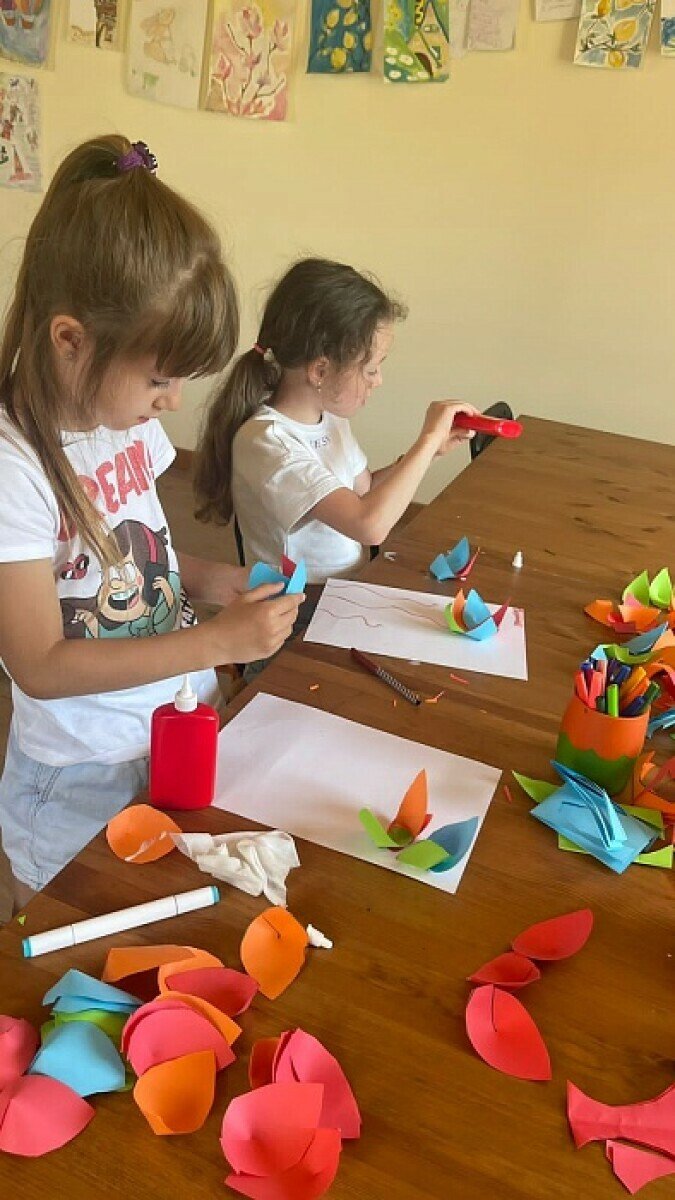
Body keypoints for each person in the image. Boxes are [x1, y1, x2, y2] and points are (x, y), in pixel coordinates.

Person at [0, 135, 302, 905]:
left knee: (173, 934)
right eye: (162, 379)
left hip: (173, 721)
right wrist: (216, 643)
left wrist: (213, 581)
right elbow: (39, 665)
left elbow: (140, 553)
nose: (173, 401)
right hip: (81, 774)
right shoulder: (13, 464)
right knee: (74, 949)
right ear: (71, 340)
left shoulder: (120, 415)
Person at [195, 257, 478, 585]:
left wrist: (430, 452)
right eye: (371, 369)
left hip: (341, 586)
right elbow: (368, 525)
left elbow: (364, 491)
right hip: (295, 602)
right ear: (320, 371)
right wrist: (427, 441)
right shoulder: (267, 443)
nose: (378, 380)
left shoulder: (328, 419)